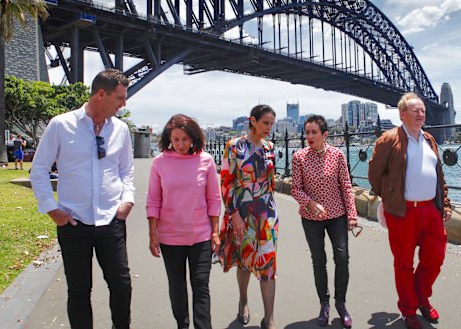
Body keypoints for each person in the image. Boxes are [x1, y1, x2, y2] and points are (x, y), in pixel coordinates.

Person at [30, 69, 134, 329]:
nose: (124, 103)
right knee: (78, 290)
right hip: (74, 223)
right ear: (101, 94)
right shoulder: (61, 125)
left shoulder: (120, 130)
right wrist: (51, 209)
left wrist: (127, 200)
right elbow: (39, 169)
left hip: (111, 220)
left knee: (121, 285)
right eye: (120, 98)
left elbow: (126, 171)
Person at [368, 92, 452, 329]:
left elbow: (439, 176)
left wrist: (444, 202)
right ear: (402, 114)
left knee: (435, 258)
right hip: (403, 212)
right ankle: (409, 309)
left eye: (423, 110)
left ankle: (420, 297)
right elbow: (374, 174)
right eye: (415, 110)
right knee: (404, 263)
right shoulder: (388, 139)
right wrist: (389, 196)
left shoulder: (429, 139)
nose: (420, 114)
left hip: (430, 210)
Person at [146, 114, 221, 329]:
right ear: (169, 138)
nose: (180, 144)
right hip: (170, 236)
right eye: (176, 139)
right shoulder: (160, 162)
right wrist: (153, 234)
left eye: (185, 139)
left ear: (194, 138)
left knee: (201, 285)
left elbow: (214, 199)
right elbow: (153, 200)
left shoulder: (205, 161)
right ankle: (182, 324)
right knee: (177, 286)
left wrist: (215, 232)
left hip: (201, 235)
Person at [291, 115, 357, 328]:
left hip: (337, 214)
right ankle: (324, 303)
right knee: (319, 260)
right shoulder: (299, 157)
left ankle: (341, 303)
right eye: (306, 132)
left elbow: (346, 186)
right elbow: (295, 188)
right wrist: (309, 203)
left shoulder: (337, 155)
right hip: (311, 218)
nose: (309, 136)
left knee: (342, 257)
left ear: (325, 135)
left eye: (314, 132)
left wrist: (352, 214)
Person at [218, 105, 278, 329]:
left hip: (267, 213)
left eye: (272, 124)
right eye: (265, 123)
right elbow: (226, 183)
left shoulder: (269, 146)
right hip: (241, 212)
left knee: (268, 264)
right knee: (244, 261)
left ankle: (269, 318)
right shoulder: (234, 146)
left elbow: (270, 182)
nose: (269, 128)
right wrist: (234, 215)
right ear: (252, 121)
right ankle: (243, 301)